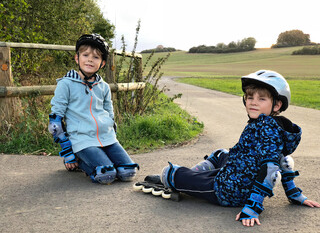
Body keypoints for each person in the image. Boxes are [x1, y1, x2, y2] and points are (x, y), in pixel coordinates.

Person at [155, 70, 320, 227]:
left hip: (227, 190)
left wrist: (253, 207)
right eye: (250, 97)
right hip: (235, 172)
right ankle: (199, 173)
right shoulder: (274, 127)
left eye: (261, 99)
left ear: (277, 105)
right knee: (222, 154)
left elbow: (270, 167)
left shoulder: (265, 129)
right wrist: (294, 194)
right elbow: (284, 160)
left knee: (169, 172)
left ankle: (180, 177)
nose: (253, 102)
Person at [48, 33, 139, 184]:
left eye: (96, 57)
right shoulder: (66, 84)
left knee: (128, 172)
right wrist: (67, 152)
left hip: (107, 138)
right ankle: (79, 160)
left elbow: (110, 113)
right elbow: (55, 121)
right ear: (77, 58)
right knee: (106, 174)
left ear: (102, 63)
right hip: (82, 140)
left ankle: (101, 157)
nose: (90, 59)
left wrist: (111, 132)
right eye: (85, 55)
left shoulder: (103, 86)